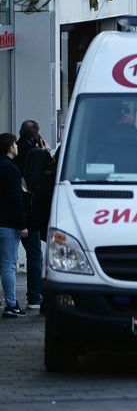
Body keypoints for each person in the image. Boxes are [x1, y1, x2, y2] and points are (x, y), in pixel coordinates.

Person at [14, 120, 47, 309]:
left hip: (9, 213)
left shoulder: (13, 152)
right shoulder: (35, 154)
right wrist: (45, 151)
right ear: (36, 135)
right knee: (35, 254)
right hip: (28, 211)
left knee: (7, 259)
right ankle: (34, 296)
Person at [0, 133, 27, 318]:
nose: (17, 146)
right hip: (8, 223)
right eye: (15, 144)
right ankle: (11, 305)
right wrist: (22, 224)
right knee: (8, 265)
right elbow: (16, 200)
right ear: (10, 147)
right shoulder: (12, 169)